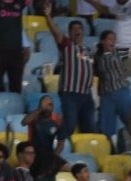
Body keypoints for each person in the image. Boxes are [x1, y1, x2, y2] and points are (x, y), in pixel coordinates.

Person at [44, 6, 96, 139]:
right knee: (70, 124)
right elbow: (55, 32)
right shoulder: (66, 45)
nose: (76, 31)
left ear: (83, 32)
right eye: (73, 29)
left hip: (86, 94)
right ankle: (58, 146)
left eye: (79, 28)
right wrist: (48, 15)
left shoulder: (89, 51)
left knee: (89, 127)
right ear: (69, 33)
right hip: (70, 93)